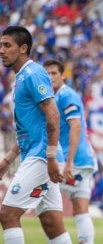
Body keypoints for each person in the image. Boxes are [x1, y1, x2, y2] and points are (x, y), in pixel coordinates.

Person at [0, 26, 72, 244]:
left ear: (23, 48)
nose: (1, 50)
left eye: (7, 45)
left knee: (8, 214)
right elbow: (27, 129)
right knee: (52, 224)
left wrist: (50, 157)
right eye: (1, 45)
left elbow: (53, 115)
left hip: (42, 156)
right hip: (37, 153)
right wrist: (7, 160)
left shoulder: (33, 73)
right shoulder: (20, 79)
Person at [43, 59, 96, 244]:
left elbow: (76, 127)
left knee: (46, 207)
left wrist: (69, 161)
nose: (50, 78)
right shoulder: (55, 96)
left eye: (54, 73)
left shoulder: (67, 95)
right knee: (80, 208)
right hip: (82, 159)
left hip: (72, 160)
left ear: (62, 75)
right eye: (47, 74)